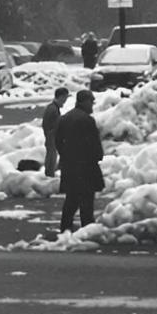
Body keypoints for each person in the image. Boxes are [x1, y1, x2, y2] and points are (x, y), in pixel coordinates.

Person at [55, 88, 103, 233]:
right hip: (86, 166)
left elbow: (58, 141)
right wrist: (98, 156)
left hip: (69, 166)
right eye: (91, 102)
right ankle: (87, 229)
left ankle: (65, 227)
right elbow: (94, 143)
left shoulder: (64, 118)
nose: (92, 105)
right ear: (85, 102)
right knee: (87, 200)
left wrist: (65, 156)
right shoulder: (87, 120)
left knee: (71, 199)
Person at [40, 86, 69, 180]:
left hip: (51, 136)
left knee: (52, 156)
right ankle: (49, 176)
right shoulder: (53, 109)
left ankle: (50, 174)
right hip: (52, 137)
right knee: (51, 158)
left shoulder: (52, 107)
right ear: (60, 97)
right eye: (65, 98)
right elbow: (52, 125)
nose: (65, 100)